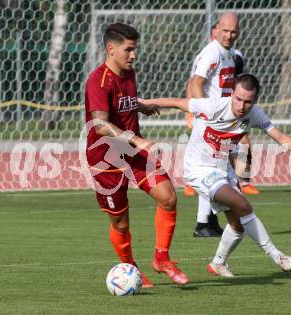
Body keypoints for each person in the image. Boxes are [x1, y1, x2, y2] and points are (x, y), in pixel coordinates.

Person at [139, 73, 291, 276]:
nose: (242, 105)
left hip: (223, 169)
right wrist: (146, 103)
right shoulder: (213, 106)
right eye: (238, 99)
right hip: (199, 170)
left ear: (254, 101)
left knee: (237, 226)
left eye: (248, 101)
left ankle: (217, 263)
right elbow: (176, 102)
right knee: (243, 205)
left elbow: (279, 137)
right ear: (232, 94)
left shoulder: (254, 114)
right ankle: (278, 257)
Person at [84, 23, 189, 287]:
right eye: (128, 50)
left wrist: (142, 106)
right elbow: (100, 125)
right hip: (106, 160)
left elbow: (123, 101)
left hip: (133, 154)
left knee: (168, 197)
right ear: (111, 49)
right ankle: (130, 268)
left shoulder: (129, 74)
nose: (133, 55)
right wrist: (136, 139)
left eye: (135, 49)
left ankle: (162, 259)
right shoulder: (98, 81)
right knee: (120, 223)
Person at [186, 13, 259, 238]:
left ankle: (207, 222)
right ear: (216, 30)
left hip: (223, 123)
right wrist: (202, 114)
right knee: (218, 173)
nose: (229, 35)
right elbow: (195, 82)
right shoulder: (212, 52)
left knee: (216, 173)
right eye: (225, 31)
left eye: (233, 31)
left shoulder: (228, 54)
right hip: (213, 123)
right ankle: (215, 222)